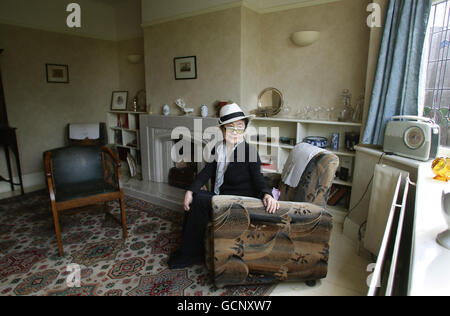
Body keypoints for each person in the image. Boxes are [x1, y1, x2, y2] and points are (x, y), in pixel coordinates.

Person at [168, 103, 280, 269]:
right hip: (221, 196)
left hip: (237, 202)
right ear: (222, 130)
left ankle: (191, 254)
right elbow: (207, 171)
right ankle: (189, 249)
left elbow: (259, 179)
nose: (235, 132)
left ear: (244, 128)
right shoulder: (219, 148)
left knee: (199, 201)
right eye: (230, 127)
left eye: (239, 127)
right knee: (196, 197)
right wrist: (190, 190)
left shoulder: (249, 152)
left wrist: (267, 194)